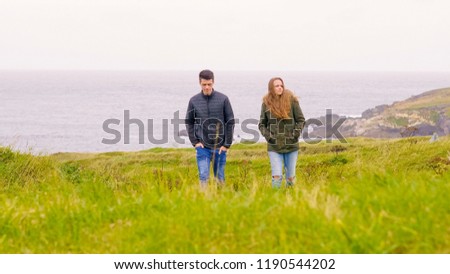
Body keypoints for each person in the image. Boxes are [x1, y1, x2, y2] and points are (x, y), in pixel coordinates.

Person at [185, 70, 235, 187]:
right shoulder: (194, 101)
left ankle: (221, 202)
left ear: (213, 82)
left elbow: (230, 121)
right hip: (203, 147)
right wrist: (195, 142)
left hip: (220, 147)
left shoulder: (223, 99)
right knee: (203, 177)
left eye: (209, 84)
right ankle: (204, 202)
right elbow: (189, 121)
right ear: (200, 83)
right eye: (204, 84)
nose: (207, 87)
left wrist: (226, 144)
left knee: (220, 178)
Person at [258, 77, 305, 188]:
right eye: (277, 86)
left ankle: (290, 201)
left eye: (281, 85)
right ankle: (276, 201)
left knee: (290, 178)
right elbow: (261, 124)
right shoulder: (266, 104)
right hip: (274, 147)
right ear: (271, 88)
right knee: (277, 176)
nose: (280, 88)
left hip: (291, 146)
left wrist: (294, 136)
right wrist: (270, 137)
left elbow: (301, 120)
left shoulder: (292, 101)